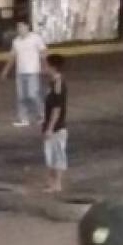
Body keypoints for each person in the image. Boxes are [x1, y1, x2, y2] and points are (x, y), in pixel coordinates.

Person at [0, 20, 47, 127]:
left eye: (21, 27)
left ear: (27, 27)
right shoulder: (16, 41)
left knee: (32, 94)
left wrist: (45, 66)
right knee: (21, 96)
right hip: (20, 72)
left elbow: (43, 53)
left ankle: (42, 113)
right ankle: (23, 118)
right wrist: (6, 70)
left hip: (32, 72)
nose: (19, 29)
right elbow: (12, 57)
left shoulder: (36, 38)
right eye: (18, 27)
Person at [43, 54, 69, 193]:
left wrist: (50, 128)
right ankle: (52, 182)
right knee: (51, 155)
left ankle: (57, 184)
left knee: (57, 155)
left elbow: (57, 108)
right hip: (52, 125)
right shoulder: (53, 82)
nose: (43, 67)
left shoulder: (58, 84)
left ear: (52, 67)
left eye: (46, 65)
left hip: (57, 127)